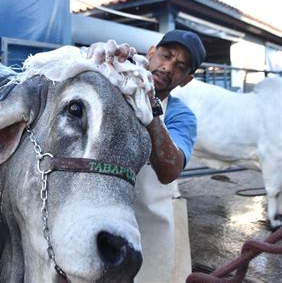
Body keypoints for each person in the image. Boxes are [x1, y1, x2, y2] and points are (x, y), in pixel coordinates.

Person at [87, 30, 206, 282]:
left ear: (186, 79)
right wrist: (102, 62)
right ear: (151, 53)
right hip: (97, 214)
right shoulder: (116, 84)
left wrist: (148, 100)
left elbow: (170, 170)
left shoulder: (181, 116)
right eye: (166, 55)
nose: (167, 66)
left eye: (180, 66)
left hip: (148, 228)